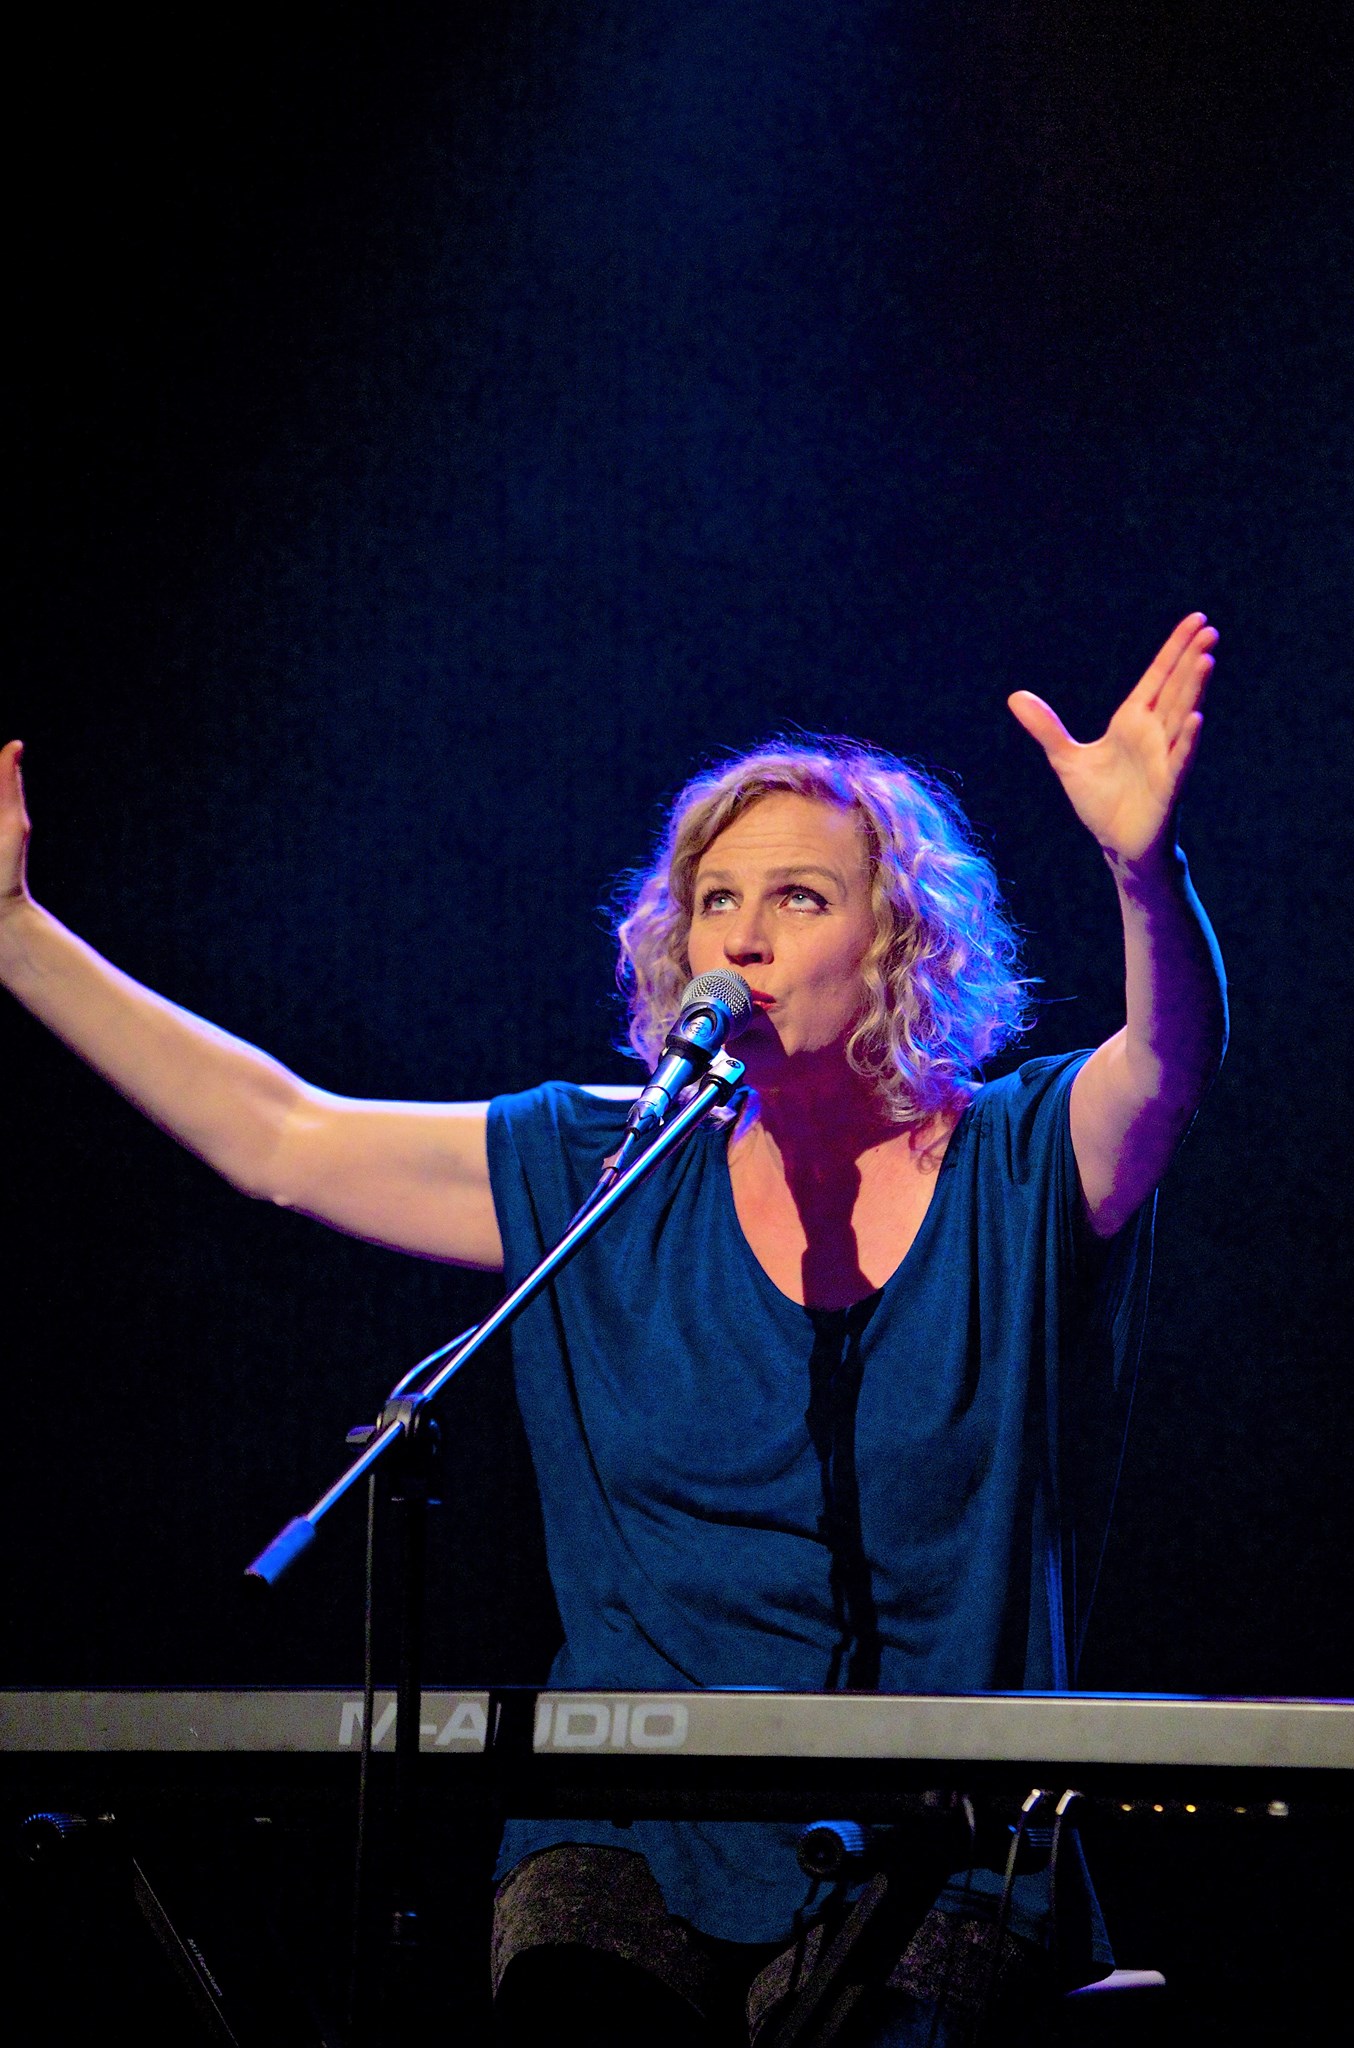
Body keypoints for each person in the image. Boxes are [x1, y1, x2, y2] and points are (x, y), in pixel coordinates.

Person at [0, 613, 1226, 2044]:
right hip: (626, 1821)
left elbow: (1165, 1070)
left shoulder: (1013, 1164)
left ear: (902, 937)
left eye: (801, 900)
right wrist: (19, 946)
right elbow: (283, 1136)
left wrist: (1146, 871)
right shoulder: (600, 1172)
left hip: (932, 1833)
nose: (746, 938)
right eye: (716, 901)